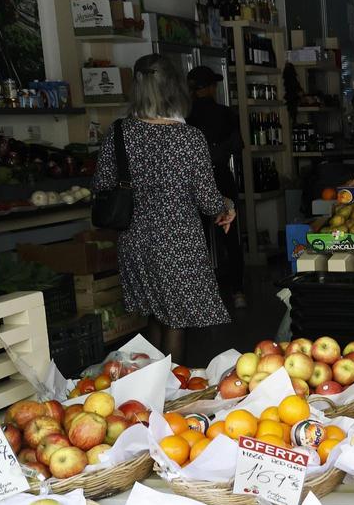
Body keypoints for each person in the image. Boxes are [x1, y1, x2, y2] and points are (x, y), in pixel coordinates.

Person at [95, 54, 235, 363]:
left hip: (134, 242)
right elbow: (208, 200)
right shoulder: (188, 138)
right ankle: (170, 393)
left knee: (156, 315)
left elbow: (102, 186)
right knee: (175, 320)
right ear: (175, 89)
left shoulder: (118, 133)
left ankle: (156, 390)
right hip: (176, 242)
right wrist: (227, 206)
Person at [185, 65, 246, 310]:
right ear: (211, 88)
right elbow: (237, 146)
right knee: (230, 238)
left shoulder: (184, 118)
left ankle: (199, 296)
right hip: (220, 177)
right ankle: (238, 291)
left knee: (196, 239)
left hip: (191, 182)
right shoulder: (226, 113)